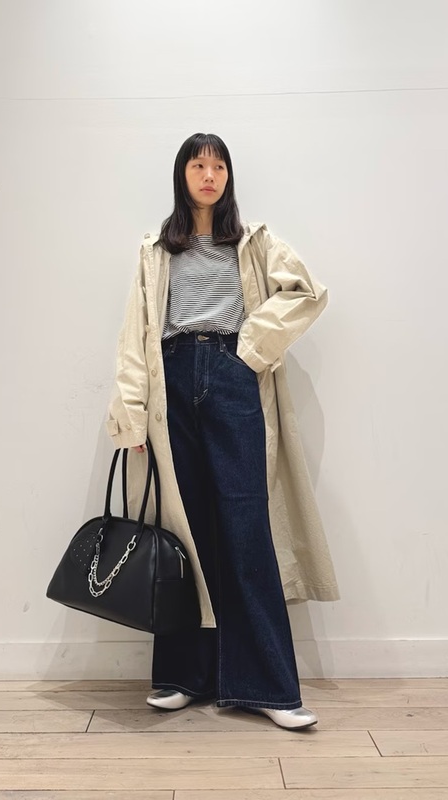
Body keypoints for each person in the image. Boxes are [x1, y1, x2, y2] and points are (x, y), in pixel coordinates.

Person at [110, 132, 332, 730]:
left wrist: (249, 351)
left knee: (245, 526)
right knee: (183, 532)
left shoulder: (252, 241)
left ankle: (269, 687)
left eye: (219, 166)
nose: (209, 175)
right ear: (181, 175)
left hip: (233, 376)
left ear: (229, 176)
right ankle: (185, 675)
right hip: (172, 379)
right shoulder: (157, 248)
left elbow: (306, 292)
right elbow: (136, 333)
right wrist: (132, 412)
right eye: (198, 165)